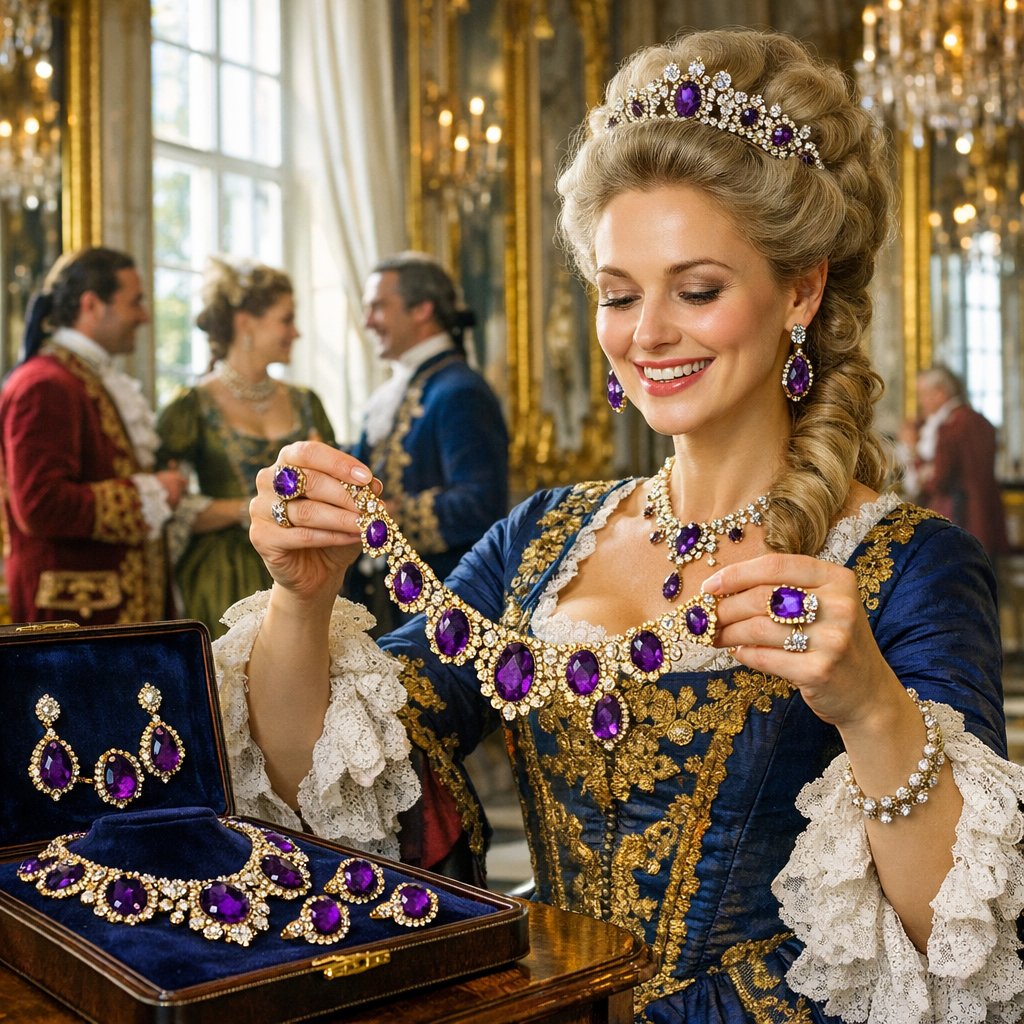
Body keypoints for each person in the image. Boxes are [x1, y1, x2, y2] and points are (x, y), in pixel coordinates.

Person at [213, 30, 1024, 1024]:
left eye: (697, 289)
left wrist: (868, 706)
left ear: (801, 289)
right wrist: (304, 599)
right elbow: (331, 796)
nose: (646, 334)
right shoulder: (538, 540)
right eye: (617, 293)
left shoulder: (912, 566)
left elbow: (955, 945)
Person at [0, 246, 186, 625]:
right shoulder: (45, 384)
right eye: (134, 302)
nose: (144, 316)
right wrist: (149, 494)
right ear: (92, 305)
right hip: (74, 616)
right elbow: (40, 504)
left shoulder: (82, 377)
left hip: (107, 609)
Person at [156, 256, 336, 638]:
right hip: (223, 576)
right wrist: (250, 509)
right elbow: (166, 507)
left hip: (304, 564)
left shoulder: (307, 403)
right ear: (245, 324)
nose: (296, 332)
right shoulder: (191, 409)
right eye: (286, 319)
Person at [347, 252, 508, 631]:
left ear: (421, 309)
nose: (368, 321)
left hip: (444, 610)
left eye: (378, 307)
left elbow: (481, 503)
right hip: (393, 606)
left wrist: (384, 516)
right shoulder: (403, 390)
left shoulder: (459, 391)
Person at [900, 365, 1009, 561]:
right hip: (987, 516)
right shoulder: (980, 420)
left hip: (961, 516)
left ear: (940, 392)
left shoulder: (950, 426)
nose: (921, 402)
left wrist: (915, 454)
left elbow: (938, 480)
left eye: (924, 394)